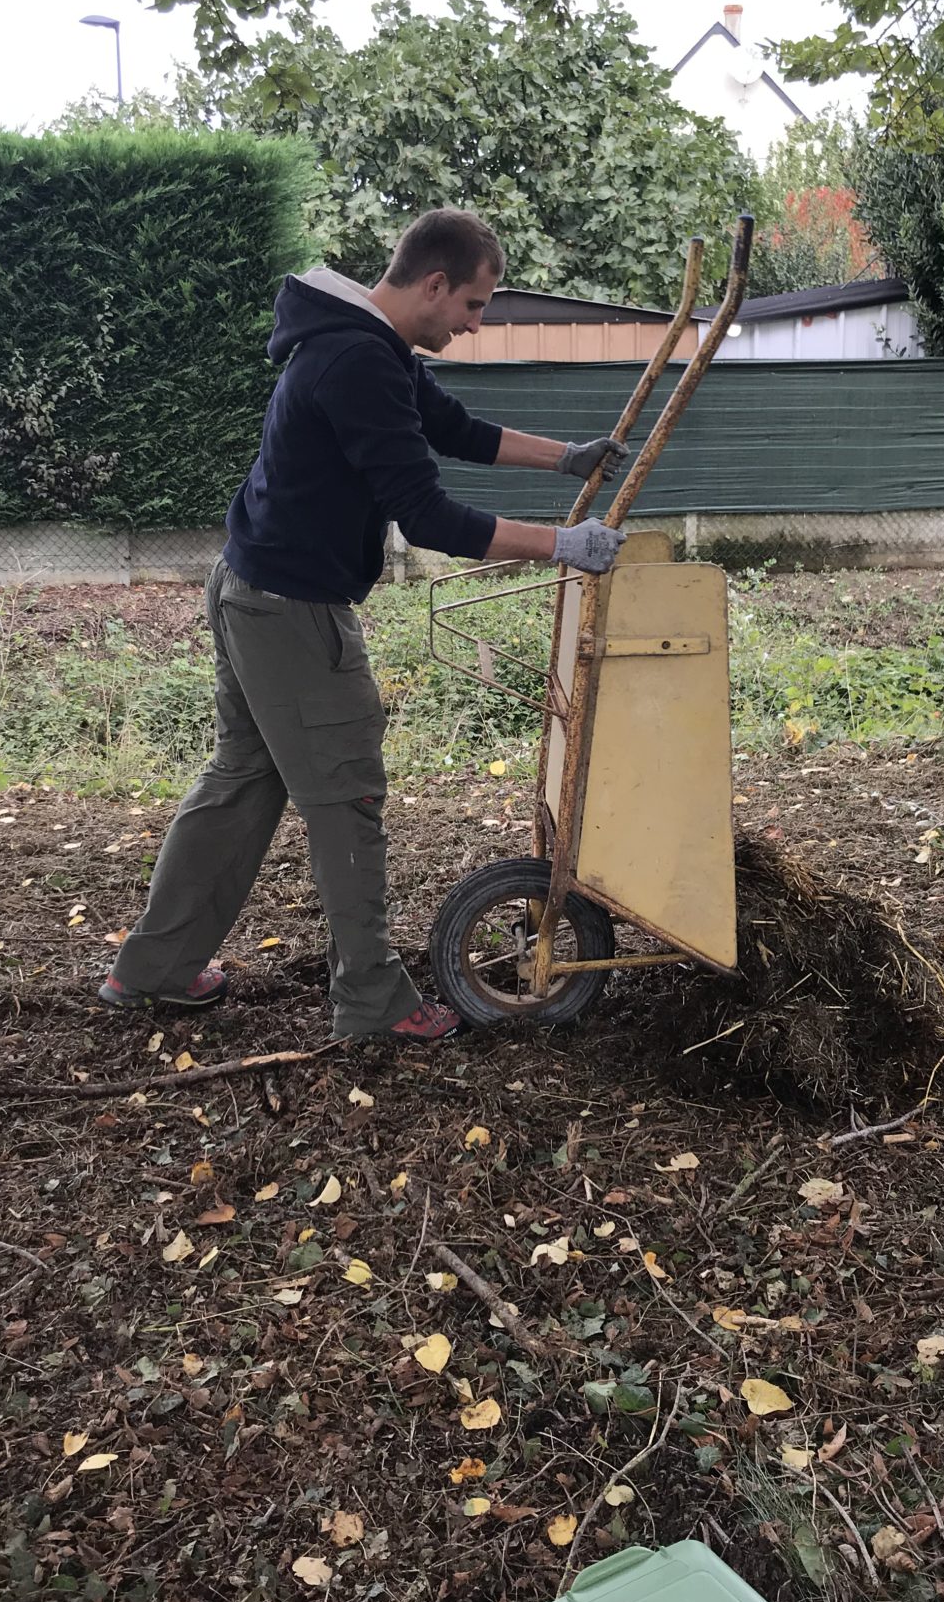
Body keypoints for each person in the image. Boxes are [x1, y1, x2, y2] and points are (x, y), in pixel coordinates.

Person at [100, 208, 628, 1041]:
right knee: (347, 799)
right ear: (434, 284)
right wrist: (564, 545)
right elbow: (429, 517)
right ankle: (374, 1004)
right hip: (292, 612)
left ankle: (153, 969)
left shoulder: (363, 341)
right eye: (473, 306)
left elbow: (452, 429)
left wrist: (563, 457)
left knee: (240, 784)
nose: (473, 325)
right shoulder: (359, 361)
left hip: (248, 587)